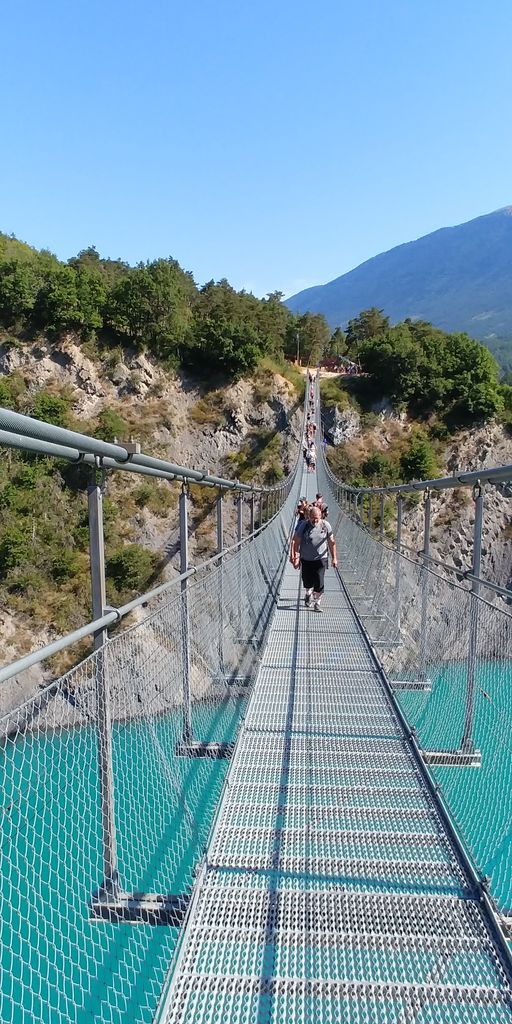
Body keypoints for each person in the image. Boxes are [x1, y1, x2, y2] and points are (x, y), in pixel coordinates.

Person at [290, 505, 337, 612]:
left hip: (321, 559)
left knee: (319, 582)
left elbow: (331, 542)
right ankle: (308, 594)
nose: (315, 520)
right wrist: (295, 557)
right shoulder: (304, 525)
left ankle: (317, 603)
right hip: (306, 559)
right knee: (307, 581)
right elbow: (296, 542)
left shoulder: (326, 525)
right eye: (313, 518)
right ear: (309, 517)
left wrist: (334, 558)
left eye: (317, 517)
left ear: (321, 516)